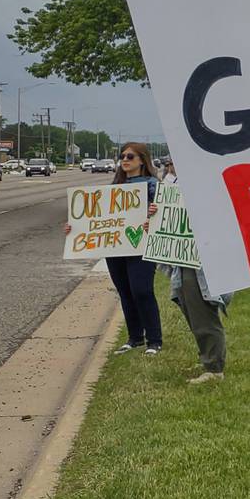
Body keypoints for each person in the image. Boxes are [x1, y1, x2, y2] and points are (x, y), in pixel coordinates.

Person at [158, 159, 232, 384]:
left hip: (202, 260)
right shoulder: (174, 186)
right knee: (191, 310)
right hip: (184, 259)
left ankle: (214, 368)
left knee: (203, 313)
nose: (172, 165)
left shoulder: (209, 185)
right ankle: (209, 358)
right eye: (170, 162)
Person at [105, 143, 164, 356]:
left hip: (141, 244)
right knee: (125, 292)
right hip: (115, 247)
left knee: (142, 290)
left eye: (130, 156)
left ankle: (154, 340)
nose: (125, 159)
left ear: (142, 160)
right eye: (122, 156)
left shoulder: (152, 184)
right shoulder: (114, 187)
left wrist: (155, 211)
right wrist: (75, 227)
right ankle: (135, 338)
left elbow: (166, 211)